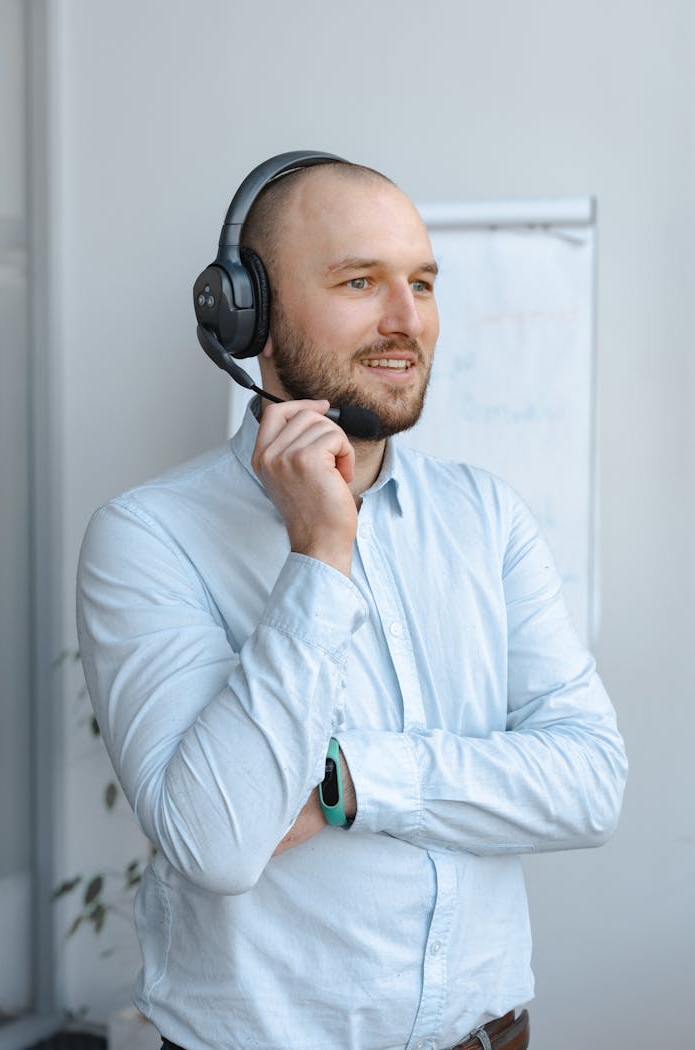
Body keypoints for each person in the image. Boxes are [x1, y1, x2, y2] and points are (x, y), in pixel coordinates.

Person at [76, 153, 627, 1050]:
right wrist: (319, 552)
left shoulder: (488, 518)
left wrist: (348, 780)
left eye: (422, 282)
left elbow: (591, 785)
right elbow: (217, 842)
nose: (407, 320)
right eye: (360, 281)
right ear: (247, 310)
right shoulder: (147, 539)